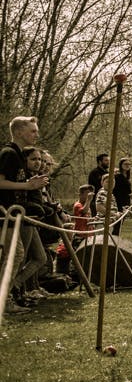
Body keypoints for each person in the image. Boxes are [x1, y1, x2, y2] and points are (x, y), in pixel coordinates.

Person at [1, 118, 51, 312]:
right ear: (20, 132)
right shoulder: (8, 153)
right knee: (13, 257)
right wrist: (27, 185)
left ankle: (9, 296)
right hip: (6, 214)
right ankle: (5, 301)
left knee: (19, 256)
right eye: (33, 131)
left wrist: (32, 183)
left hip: (17, 214)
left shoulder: (19, 156)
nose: (36, 135)